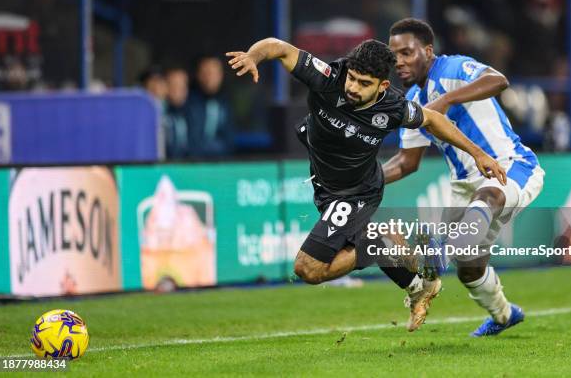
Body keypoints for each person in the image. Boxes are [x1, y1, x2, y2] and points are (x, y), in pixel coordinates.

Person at [227, 37, 506, 331]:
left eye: (363, 83)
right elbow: (279, 47)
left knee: (308, 269)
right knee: (380, 258)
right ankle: (416, 284)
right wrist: (253, 56)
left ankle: (378, 242)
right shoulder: (328, 78)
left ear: (381, 87)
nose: (352, 87)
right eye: (352, 77)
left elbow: (434, 120)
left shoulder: (394, 107)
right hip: (326, 186)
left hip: (357, 192)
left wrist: (478, 154)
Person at [385, 18, 545, 336]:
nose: (399, 62)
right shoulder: (413, 104)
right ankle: (504, 315)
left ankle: (439, 248)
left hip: (509, 165)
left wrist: (446, 100)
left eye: (407, 53)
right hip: (464, 186)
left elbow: (498, 79)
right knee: (470, 269)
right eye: (395, 57)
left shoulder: (453, 68)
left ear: (428, 51)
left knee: (488, 197)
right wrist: (362, 178)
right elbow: (405, 162)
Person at [187, 56, 235, 157]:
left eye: (213, 73)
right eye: (205, 73)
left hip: (221, 164)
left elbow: (229, 141)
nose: (209, 78)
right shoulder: (188, 103)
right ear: (198, 76)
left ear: (220, 75)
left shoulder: (226, 103)